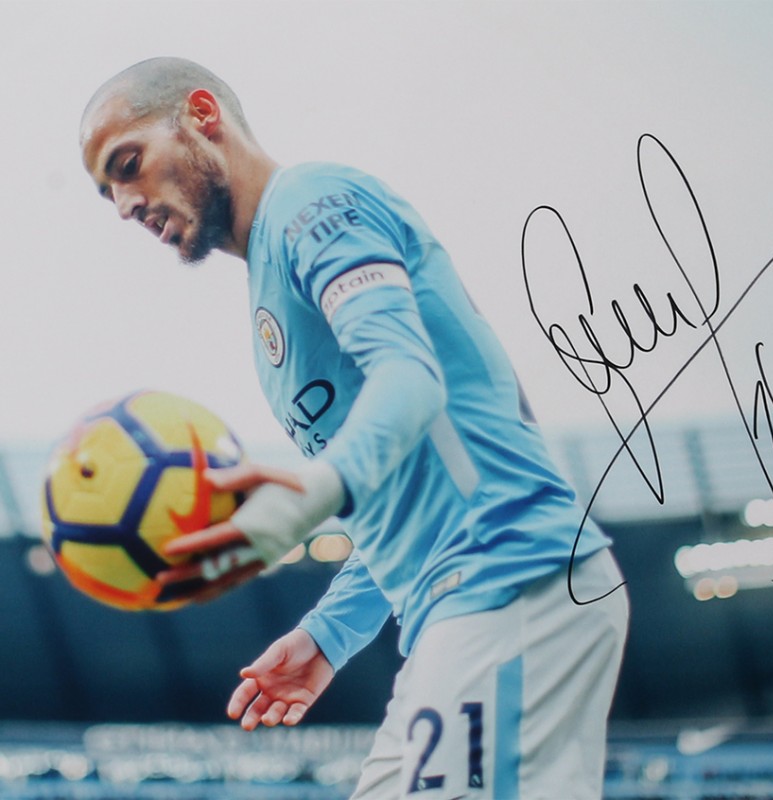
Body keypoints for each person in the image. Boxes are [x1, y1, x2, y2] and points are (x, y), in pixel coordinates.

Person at [80, 57, 629, 800]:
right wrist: (329, 633)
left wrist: (306, 495)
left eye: (128, 164)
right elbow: (399, 491)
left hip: (508, 582)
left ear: (202, 116)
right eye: (107, 191)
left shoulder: (310, 204)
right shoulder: (268, 291)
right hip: (456, 610)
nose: (124, 205)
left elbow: (411, 377)